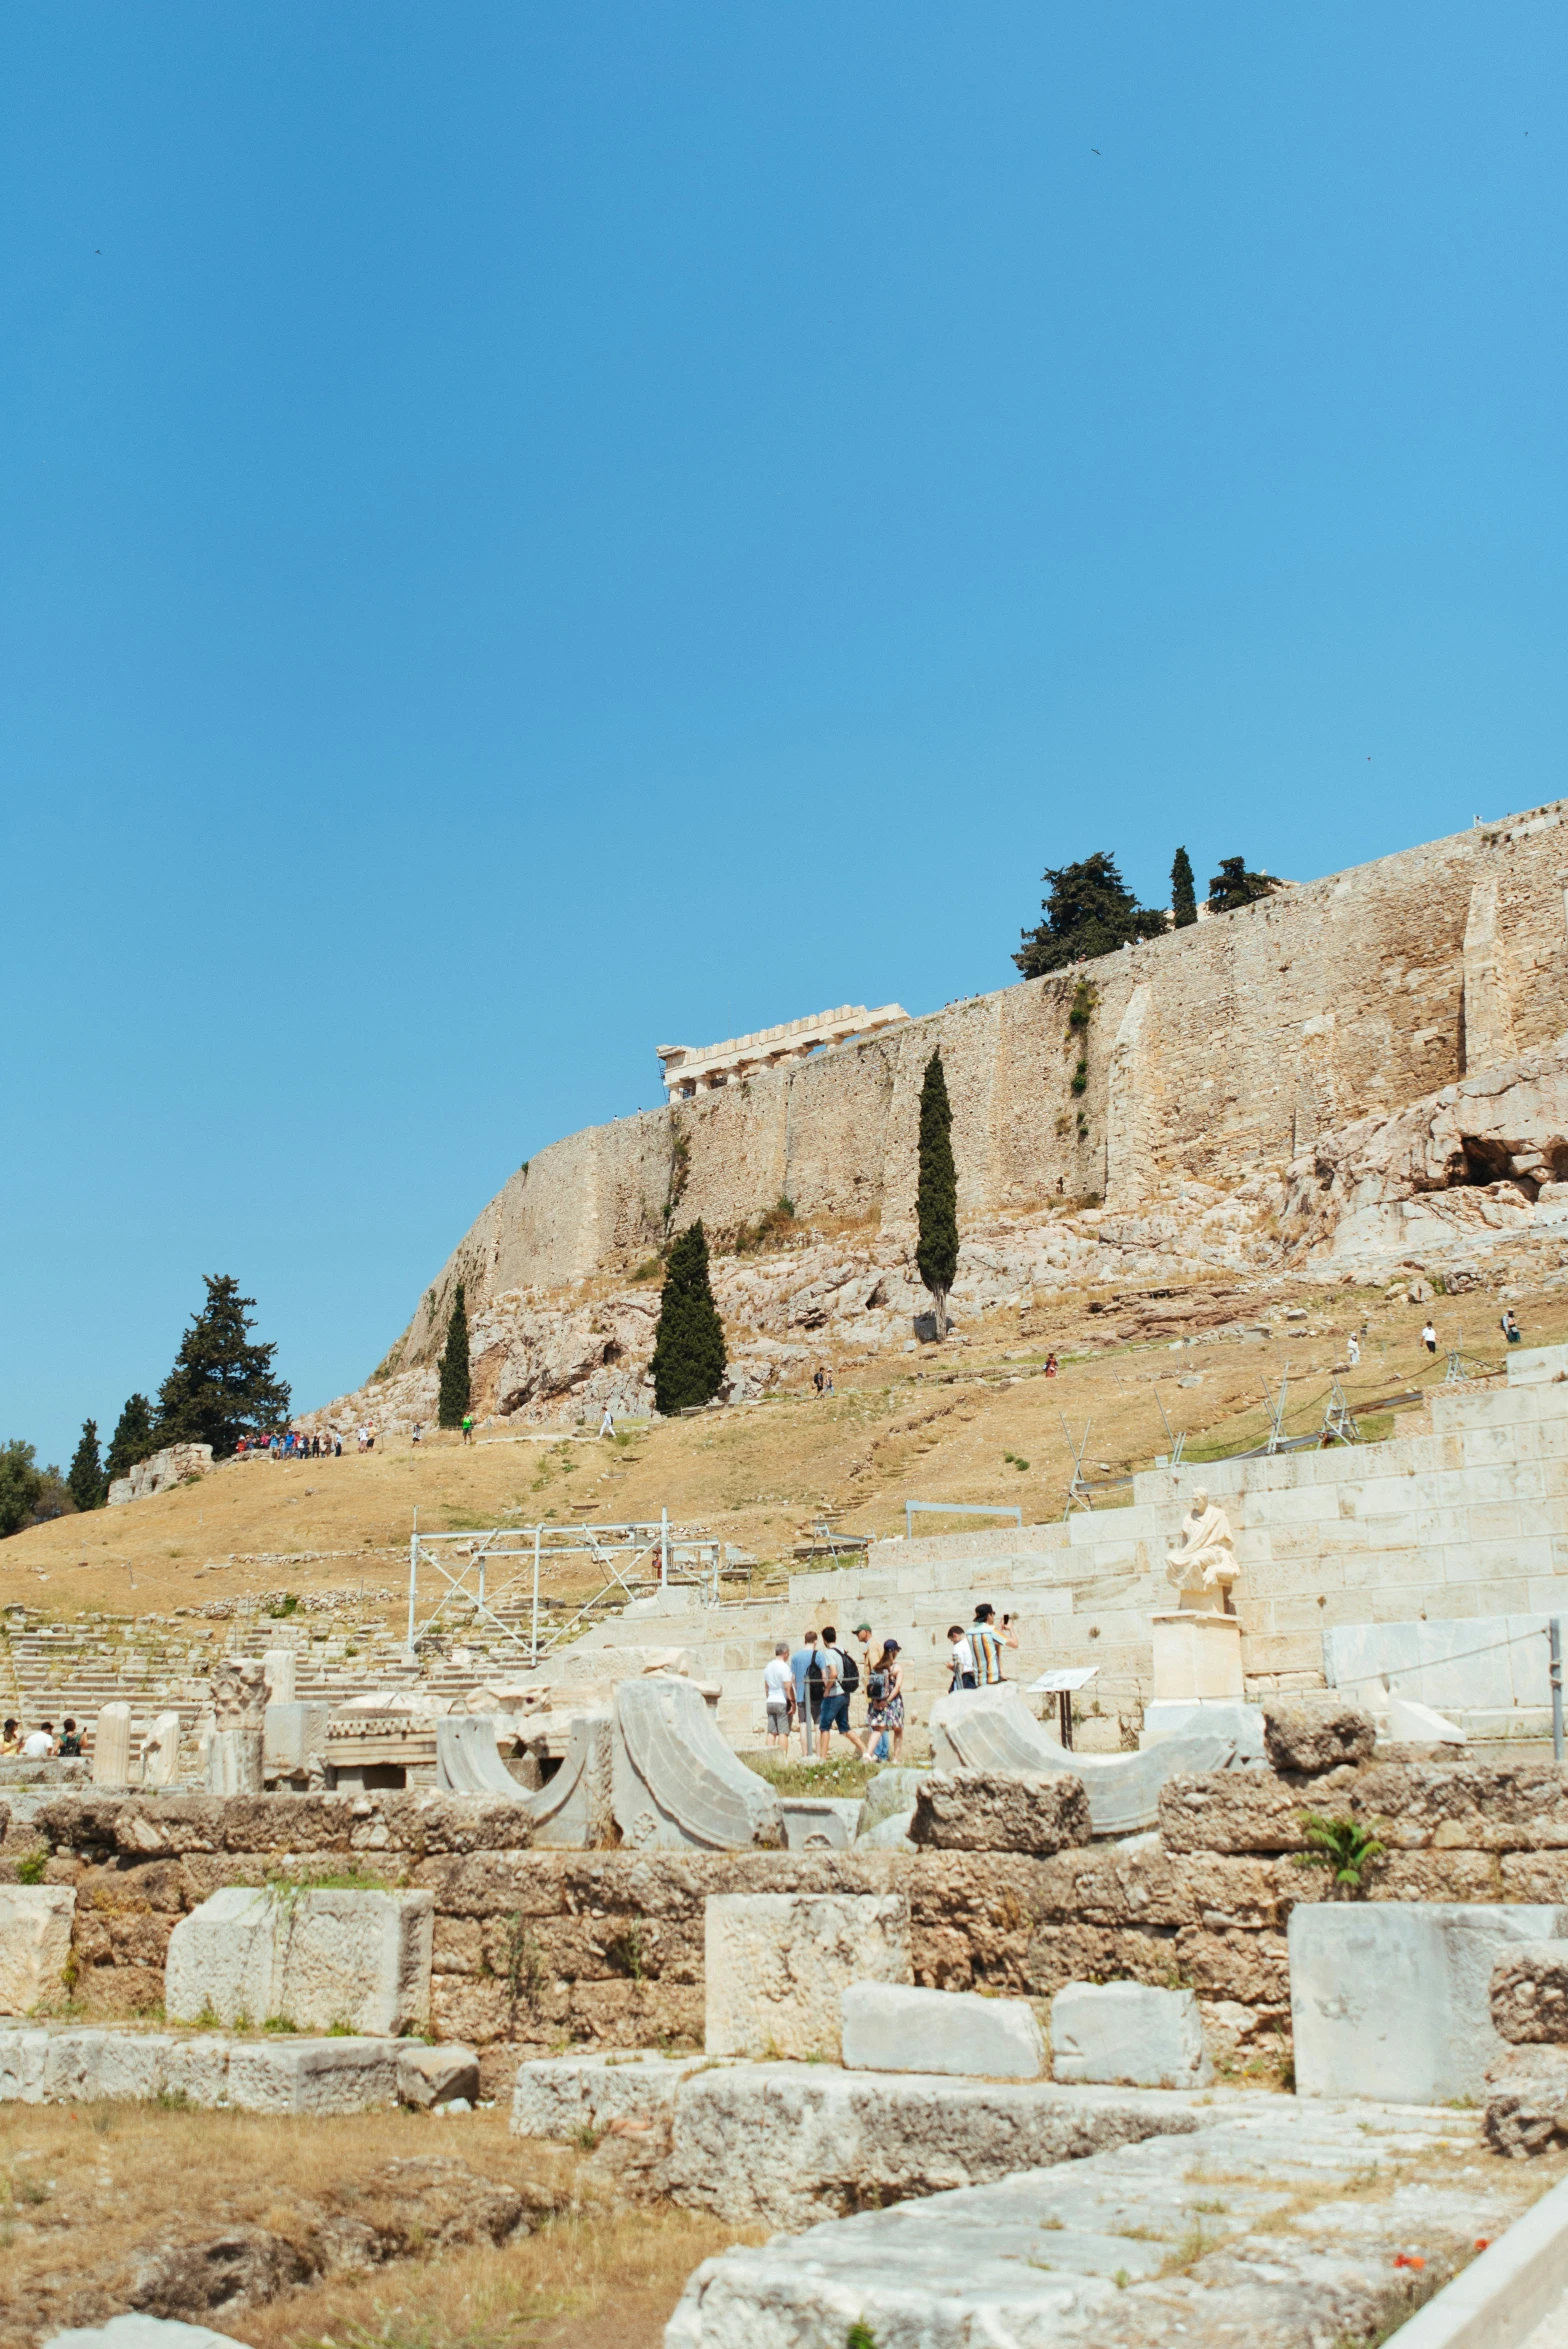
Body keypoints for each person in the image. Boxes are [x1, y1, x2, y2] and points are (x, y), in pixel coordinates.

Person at [816, 1625, 868, 1758]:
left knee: (824, 1726)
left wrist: (827, 1689)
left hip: (834, 1695)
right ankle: (866, 1752)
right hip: (845, 1693)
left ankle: (822, 1758)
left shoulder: (828, 1653)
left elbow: (833, 1673)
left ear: (824, 1640)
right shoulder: (842, 1650)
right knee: (844, 1727)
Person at [865, 1640, 905, 1762]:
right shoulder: (896, 1667)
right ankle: (895, 1759)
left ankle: (868, 1753)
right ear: (894, 1651)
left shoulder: (878, 1667)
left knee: (878, 1728)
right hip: (893, 1702)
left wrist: (877, 1701)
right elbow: (897, 1687)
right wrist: (887, 1701)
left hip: (878, 1702)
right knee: (898, 1729)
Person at [790, 1629, 823, 1756]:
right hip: (816, 1695)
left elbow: (793, 1678)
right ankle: (819, 1754)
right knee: (818, 1725)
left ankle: (805, 1755)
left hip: (800, 1696)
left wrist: (797, 1690)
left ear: (805, 1641)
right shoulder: (819, 1655)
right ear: (815, 1641)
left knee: (803, 1725)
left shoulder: (795, 1656)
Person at [971, 1602, 1018, 1685]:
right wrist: (1011, 1628)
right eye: (993, 1613)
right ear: (989, 1615)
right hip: (993, 1678)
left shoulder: (970, 1632)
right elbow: (1015, 1644)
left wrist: (999, 1629)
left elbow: (991, 1642)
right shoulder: (991, 1631)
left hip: (978, 1680)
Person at [763, 1641, 795, 1750]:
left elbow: (766, 1686)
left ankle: (769, 1759)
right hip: (781, 1701)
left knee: (771, 1732)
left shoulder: (768, 1667)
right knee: (783, 1732)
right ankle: (782, 1759)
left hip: (770, 1700)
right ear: (785, 1653)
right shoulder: (784, 1667)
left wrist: (768, 1697)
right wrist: (792, 1702)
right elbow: (787, 1687)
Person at [947, 1623, 978, 1692]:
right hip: (975, 1677)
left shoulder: (958, 1646)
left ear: (955, 1635)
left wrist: (952, 1667)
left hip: (965, 1678)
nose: (953, 1642)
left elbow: (960, 1665)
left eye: (952, 1640)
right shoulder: (972, 1642)